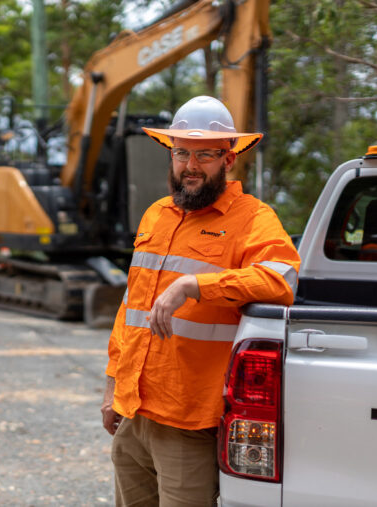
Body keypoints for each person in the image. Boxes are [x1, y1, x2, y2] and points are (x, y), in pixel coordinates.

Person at [101, 96, 301, 506]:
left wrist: (196, 285)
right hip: (133, 416)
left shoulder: (253, 218)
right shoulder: (156, 215)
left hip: (189, 424)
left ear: (228, 160)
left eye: (205, 154)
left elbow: (281, 279)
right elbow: (130, 310)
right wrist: (111, 387)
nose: (190, 165)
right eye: (181, 153)